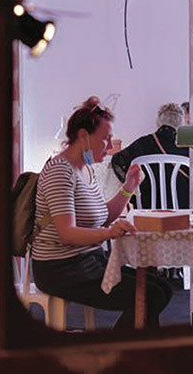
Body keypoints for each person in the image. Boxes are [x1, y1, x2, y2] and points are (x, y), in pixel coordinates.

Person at [31, 96, 174, 329]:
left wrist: (128, 187)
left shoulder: (86, 168)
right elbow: (67, 234)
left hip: (88, 261)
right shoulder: (60, 172)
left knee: (162, 288)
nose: (110, 146)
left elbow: (104, 216)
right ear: (83, 136)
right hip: (61, 268)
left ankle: (134, 347)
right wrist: (109, 233)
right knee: (152, 295)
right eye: (105, 139)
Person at [110, 102, 191, 210]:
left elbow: (117, 161)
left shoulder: (143, 143)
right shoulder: (189, 147)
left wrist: (132, 186)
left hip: (146, 207)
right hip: (182, 208)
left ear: (158, 122)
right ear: (181, 123)